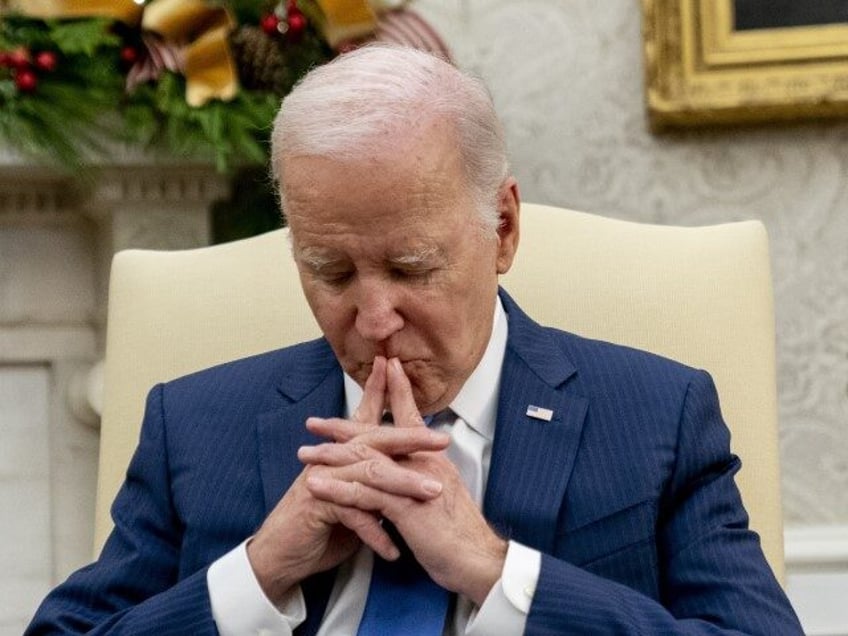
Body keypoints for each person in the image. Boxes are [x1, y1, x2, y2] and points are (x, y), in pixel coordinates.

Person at [27, 44, 803, 635]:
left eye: (410, 267)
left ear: (503, 229)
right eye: (330, 271)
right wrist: (260, 572)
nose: (372, 319)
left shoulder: (657, 415)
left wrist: (498, 572)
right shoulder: (195, 425)